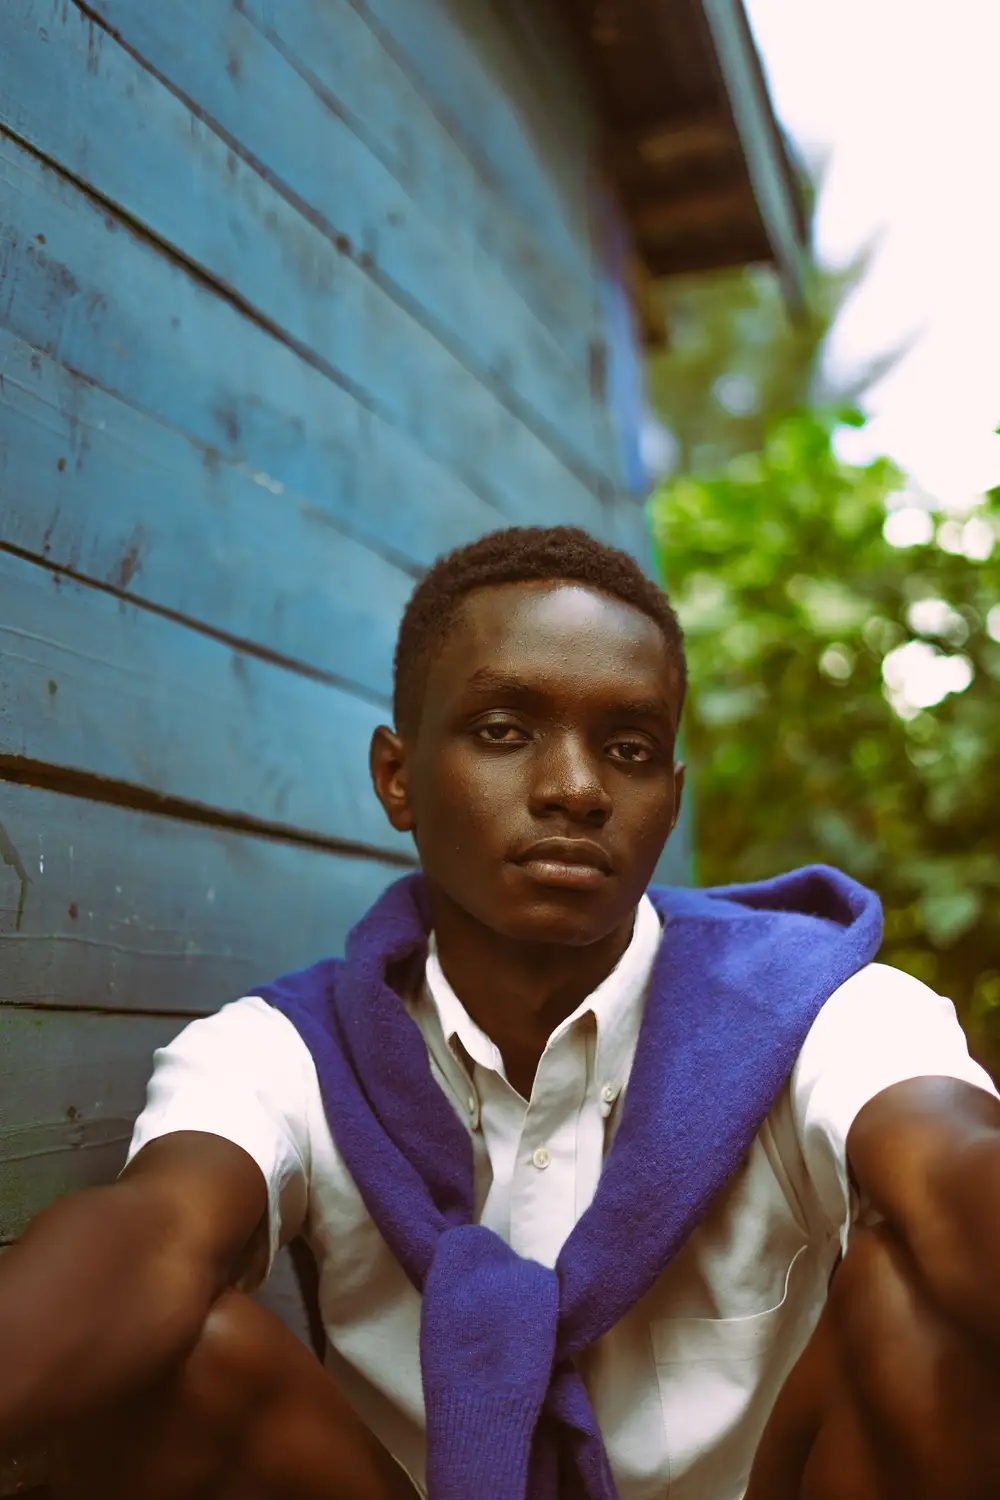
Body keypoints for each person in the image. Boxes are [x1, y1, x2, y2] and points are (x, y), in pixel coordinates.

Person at [2, 525, 999, 1500]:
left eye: (628, 747)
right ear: (397, 776)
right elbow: (155, 1234)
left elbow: (954, 1170)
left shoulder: (810, 1007)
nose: (575, 788)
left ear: (670, 795)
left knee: (916, 1313)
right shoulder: (289, 1052)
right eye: (503, 732)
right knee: (175, 1363)